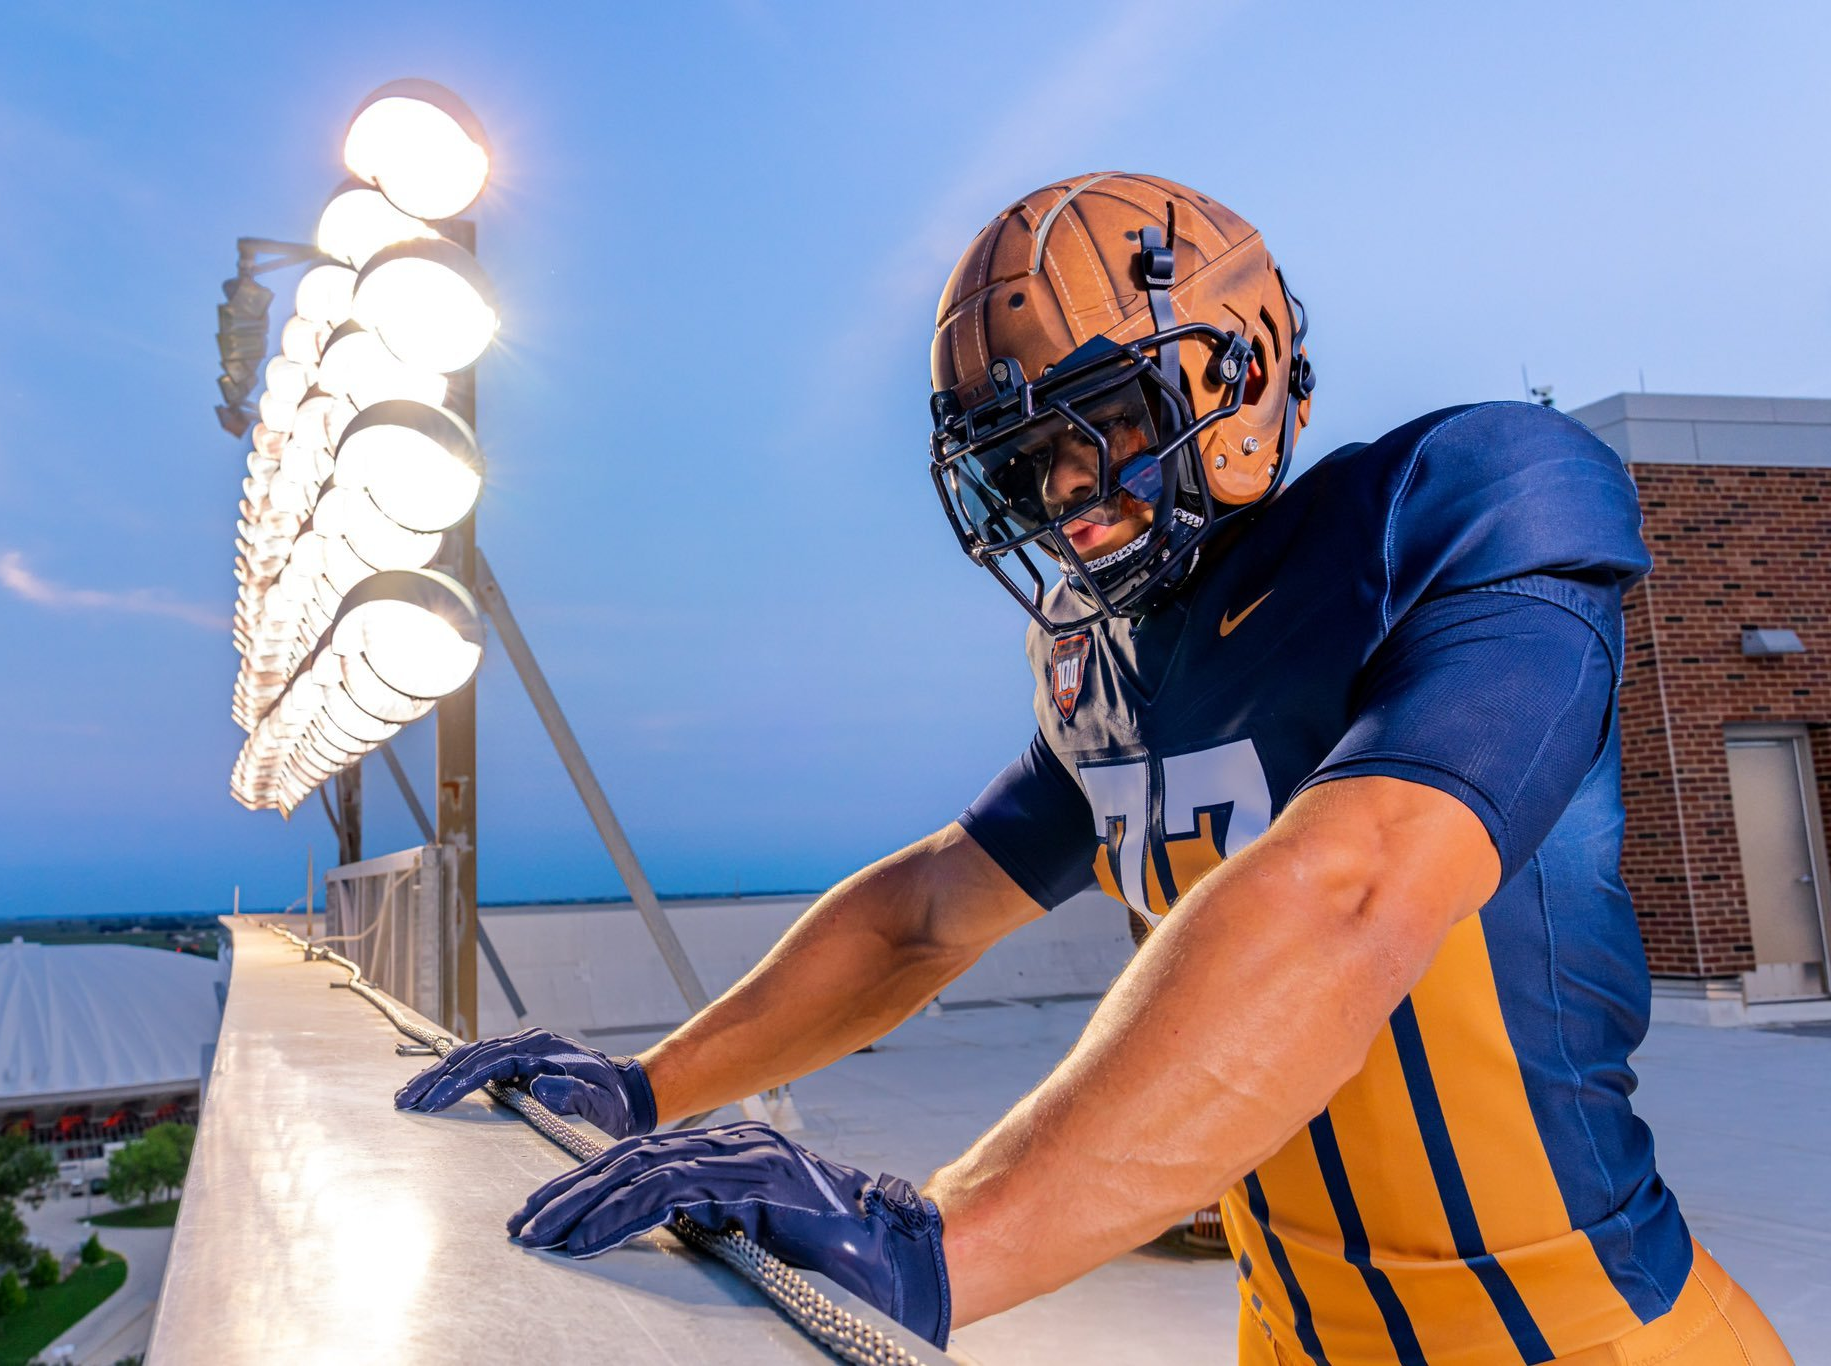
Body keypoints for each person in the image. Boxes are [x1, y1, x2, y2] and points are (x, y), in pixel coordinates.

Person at [395, 173, 1792, 1364]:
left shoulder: (1461, 501)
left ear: (1233, 364)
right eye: (1030, 459)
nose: (1070, 488)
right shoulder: (1106, 657)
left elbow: (1351, 891)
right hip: (1291, 1328)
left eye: (1102, 418)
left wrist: (938, 1239)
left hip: (1582, 1324)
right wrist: (650, 1086)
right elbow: (929, 910)